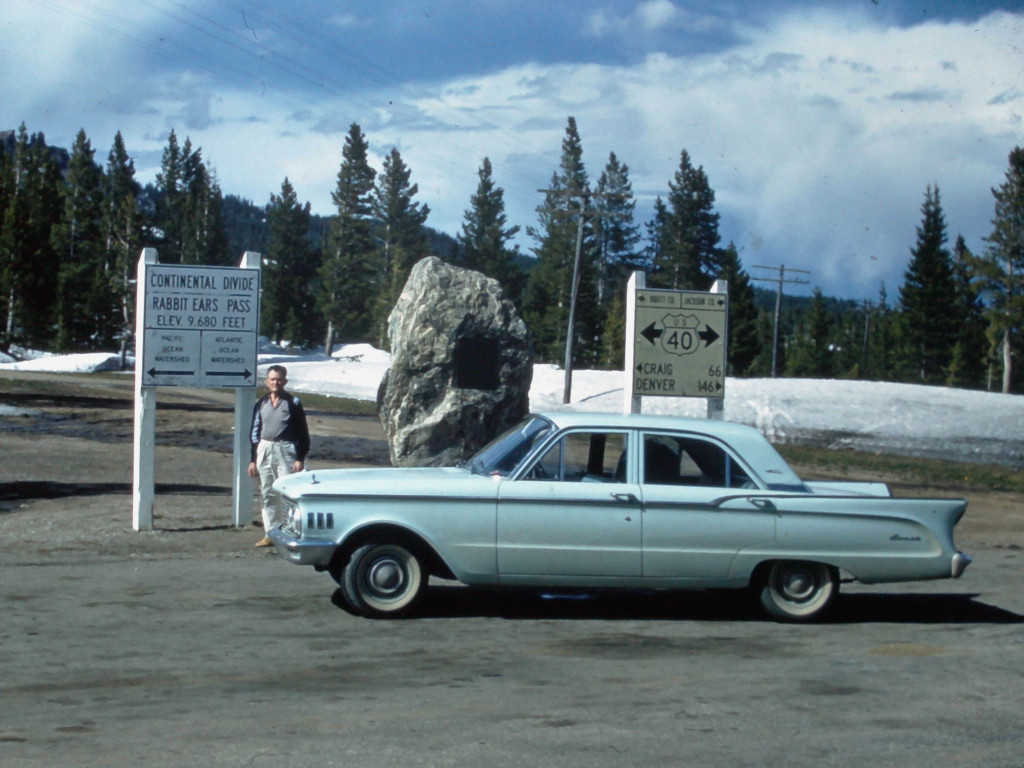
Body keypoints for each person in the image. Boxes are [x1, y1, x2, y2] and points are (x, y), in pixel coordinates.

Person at [248, 365, 311, 547]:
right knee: (267, 492)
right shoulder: (261, 404)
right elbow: (254, 433)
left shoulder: (293, 403)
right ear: (267, 381)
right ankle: (270, 533)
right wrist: (253, 460)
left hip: (286, 449)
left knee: (288, 492)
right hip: (264, 449)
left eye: (279, 379)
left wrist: (300, 458)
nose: (276, 382)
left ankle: (291, 532)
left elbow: (302, 432)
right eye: (272, 379)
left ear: (285, 381)